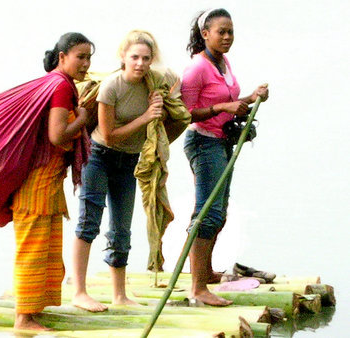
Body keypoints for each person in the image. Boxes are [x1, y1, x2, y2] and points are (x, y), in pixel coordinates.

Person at [181, 9, 269, 306]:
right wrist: (223, 109)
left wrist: (250, 98)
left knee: (220, 211)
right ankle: (197, 288)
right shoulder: (197, 68)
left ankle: (204, 272)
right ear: (205, 33)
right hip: (203, 142)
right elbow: (186, 113)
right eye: (221, 31)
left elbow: (227, 101)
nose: (228, 37)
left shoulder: (223, 61)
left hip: (222, 142)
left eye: (230, 31)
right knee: (207, 213)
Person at [71, 30, 164, 312]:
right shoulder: (112, 86)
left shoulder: (152, 85)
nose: (140, 63)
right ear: (123, 57)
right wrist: (147, 116)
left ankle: (119, 294)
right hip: (99, 156)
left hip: (129, 161)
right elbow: (109, 135)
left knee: (122, 229)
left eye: (146, 58)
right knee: (89, 222)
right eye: (134, 57)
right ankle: (78, 291)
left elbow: (177, 88)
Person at [11, 32, 94, 330]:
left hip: (45, 181)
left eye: (89, 58)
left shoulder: (58, 84)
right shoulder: (59, 86)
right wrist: (83, 118)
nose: (85, 63)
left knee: (45, 249)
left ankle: (32, 313)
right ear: (62, 57)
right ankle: (23, 319)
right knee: (33, 250)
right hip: (38, 184)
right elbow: (57, 135)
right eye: (80, 57)